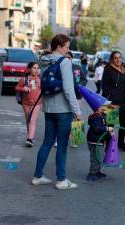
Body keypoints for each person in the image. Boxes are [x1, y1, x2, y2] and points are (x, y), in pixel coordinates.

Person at [32, 34, 82, 190]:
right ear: (59, 46)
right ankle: (61, 180)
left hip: (48, 109)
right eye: (67, 46)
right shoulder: (65, 62)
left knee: (47, 142)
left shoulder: (44, 60)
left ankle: (37, 176)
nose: (68, 50)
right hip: (63, 110)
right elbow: (68, 89)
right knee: (62, 145)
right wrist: (77, 110)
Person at [101, 51, 125, 152]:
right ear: (112, 59)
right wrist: (106, 101)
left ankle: (121, 143)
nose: (118, 60)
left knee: (124, 123)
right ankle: (109, 143)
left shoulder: (124, 69)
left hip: (124, 100)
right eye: (115, 58)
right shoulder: (108, 70)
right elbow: (104, 86)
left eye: (119, 57)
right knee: (111, 124)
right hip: (113, 101)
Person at [86, 102, 115, 182]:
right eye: (105, 106)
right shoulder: (96, 117)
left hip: (99, 141)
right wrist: (107, 129)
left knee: (99, 156)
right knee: (95, 157)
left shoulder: (103, 115)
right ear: (98, 108)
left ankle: (97, 171)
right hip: (94, 141)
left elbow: (106, 126)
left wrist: (110, 131)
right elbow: (97, 128)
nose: (107, 108)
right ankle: (92, 173)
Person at [15, 62, 41, 147]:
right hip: (25, 103)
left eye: (37, 68)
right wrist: (23, 88)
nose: (36, 70)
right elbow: (16, 87)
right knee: (28, 120)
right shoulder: (24, 79)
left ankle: (29, 139)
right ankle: (31, 137)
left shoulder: (40, 79)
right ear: (29, 69)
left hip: (37, 103)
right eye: (34, 68)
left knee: (32, 120)